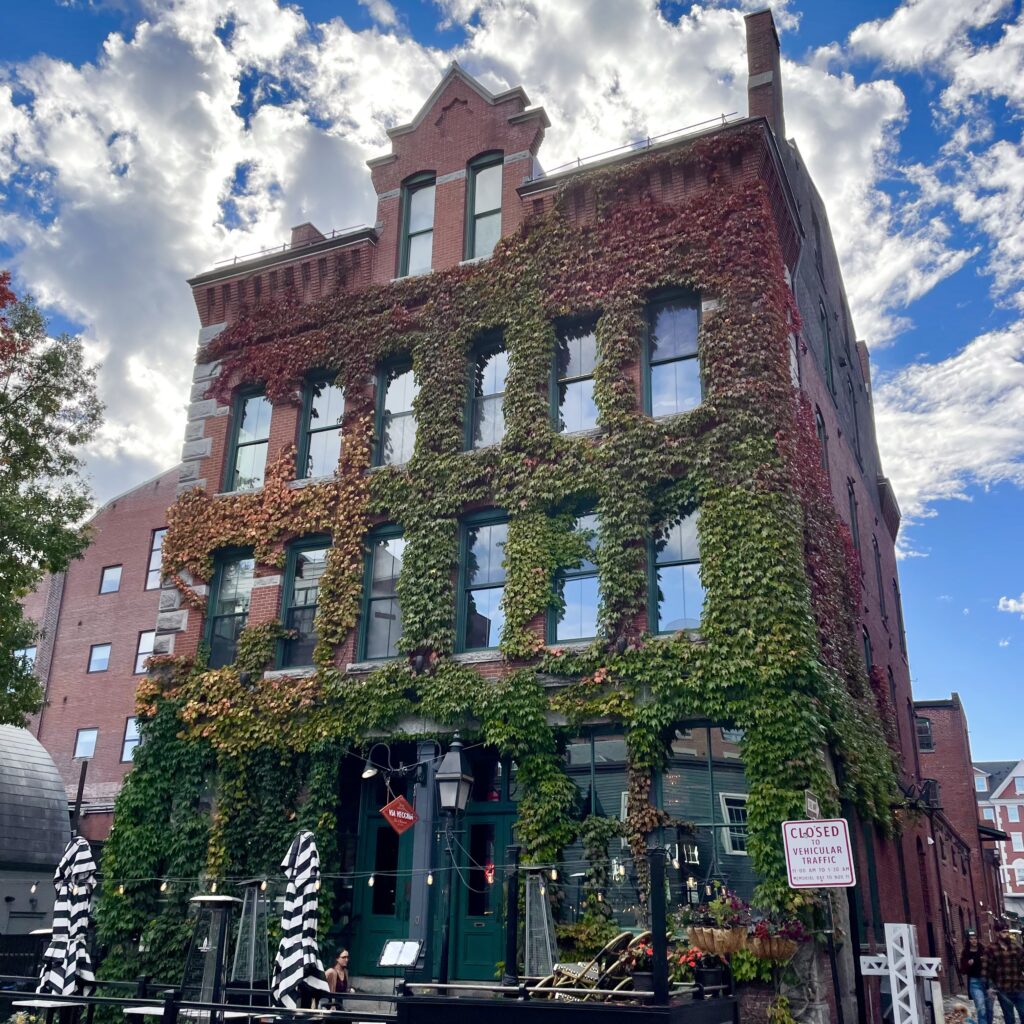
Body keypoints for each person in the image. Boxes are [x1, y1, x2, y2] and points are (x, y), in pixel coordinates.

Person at [983, 921, 1024, 1023]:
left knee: (1023, 1013)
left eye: (1007, 932)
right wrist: (989, 987)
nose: (1006, 934)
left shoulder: (1016, 947)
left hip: (1018, 986)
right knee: (1009, 1017)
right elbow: (986, 969)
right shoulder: (990, 949)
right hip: (1002, 989)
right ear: (997, 933)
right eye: (1003, 932)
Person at [961, 928, 992, 1024]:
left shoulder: (984, 950)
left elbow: (992, 964)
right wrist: (968, 964)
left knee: (989, 1009)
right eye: (971, 938)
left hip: (987, 982)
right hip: (974, 983)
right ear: (968, 940)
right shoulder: (965, 953)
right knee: (981, 1007)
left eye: (975, 938)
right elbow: (962, 970)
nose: (974, 940)